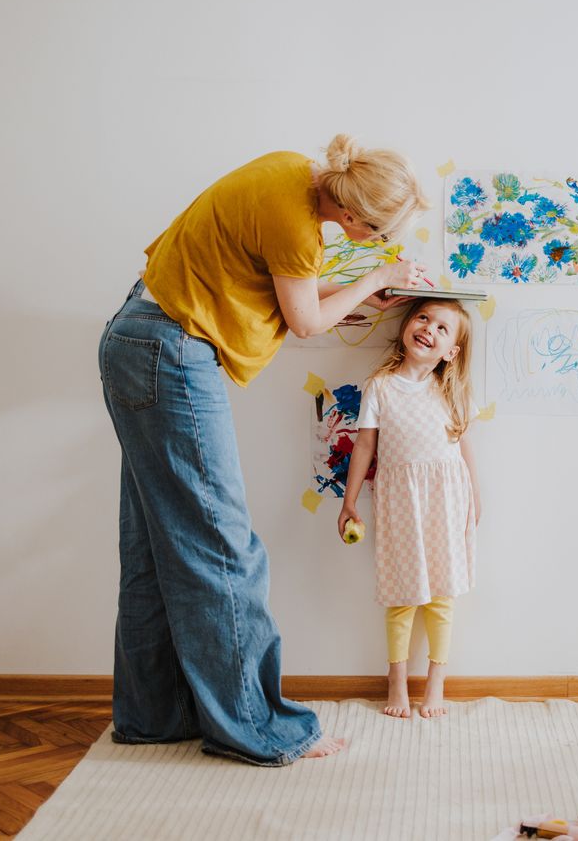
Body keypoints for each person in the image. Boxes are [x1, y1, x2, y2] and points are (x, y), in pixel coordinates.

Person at [97, 134, 428, 764]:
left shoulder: (288, 171)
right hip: (170, 354)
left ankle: (154, 716)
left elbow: (287, 287)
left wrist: (360, 287)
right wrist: (380, 277)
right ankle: (258, 728)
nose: (381, 243)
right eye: (381, 231)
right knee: (224, 548)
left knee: (155, 547)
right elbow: (304, 321)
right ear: (353, 214)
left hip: (138, 338)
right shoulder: (300, 227)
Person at [338, 299, 481, 719]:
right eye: (423, 318)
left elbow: (464, 443)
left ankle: (437, 680)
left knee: (441, 594)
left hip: (446, 497)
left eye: (442, 329)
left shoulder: (451, 390)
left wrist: (475, 493)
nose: (429, 330)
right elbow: (365, 444)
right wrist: (348, 501)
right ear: (407, 323)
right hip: (401, 499)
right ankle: (396, 679)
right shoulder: (380, 386)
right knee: (402, 594)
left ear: (451, 351)